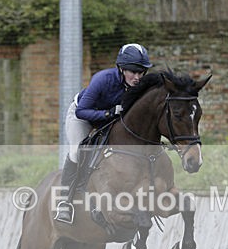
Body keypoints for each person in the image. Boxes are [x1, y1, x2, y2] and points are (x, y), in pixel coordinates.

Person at [55, 43, 154, 223]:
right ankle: (64, 202)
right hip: (83, 117)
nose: (138, 77)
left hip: (109, 120)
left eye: (141, 72)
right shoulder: (103, 79)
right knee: (77, 151)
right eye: (133, 72)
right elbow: (82, 111)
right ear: (121, 68)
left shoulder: (139, 86)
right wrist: (108, 113)